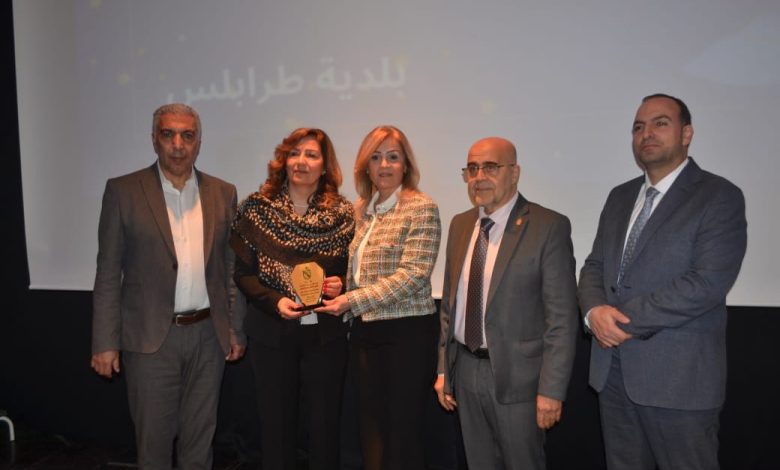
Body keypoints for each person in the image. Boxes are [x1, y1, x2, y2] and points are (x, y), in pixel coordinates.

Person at [578, 94, 747, 470]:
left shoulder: (718, 196)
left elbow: (706, 283)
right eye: (638, 127)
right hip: (612, 375)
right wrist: (592, 312)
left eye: (660, 123)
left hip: (679, 382)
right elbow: (594, 266)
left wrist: (619, 319)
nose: (647, 133)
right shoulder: (620, 197)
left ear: (687, 134)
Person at [91, 103, 246, 469]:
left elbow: (231, 268)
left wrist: (235, 329)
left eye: (187, 136)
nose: (178, 144)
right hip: (149, 341)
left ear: (198, 143)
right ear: (154, 140)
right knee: (154, 446)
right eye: (168, 134)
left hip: (208, 337)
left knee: (200, 443)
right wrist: (104, 342)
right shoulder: (123, 191)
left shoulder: (223, 193)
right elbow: (108, 272)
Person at [434, 137, 578, 470]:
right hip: (465, 371)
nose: (478, 177)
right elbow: (450, 308)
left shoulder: (548, 227)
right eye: (472, 169)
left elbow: (561, 320)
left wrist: (552, 390)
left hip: (520, 382)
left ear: (514, 173)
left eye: (490, 167)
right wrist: (444, 369)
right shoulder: (460, 225)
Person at [315, 125, 441, 470]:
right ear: (365, 167)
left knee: (401, 437)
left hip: (406, 335)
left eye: (393, 157)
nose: (384, 165)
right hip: (365, 334)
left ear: (406, 165)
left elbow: (413, 275)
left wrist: (352, 301)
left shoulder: (421, 208)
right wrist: (343, 287)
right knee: (371, 432)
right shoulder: (362, 211)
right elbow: (365, 273)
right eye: (376, 157)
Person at [230, 128, 354, 470]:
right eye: (294, 153)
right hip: (271, 332)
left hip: (325, 336)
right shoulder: (256, 209)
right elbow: (242, 274)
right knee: (276, 429)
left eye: (311, 155)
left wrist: (340, 285)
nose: (301, 161)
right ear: (283, 161)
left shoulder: (343, 214)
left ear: (324, 166)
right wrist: (275, 301)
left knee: (325, 428)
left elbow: (352, 273)